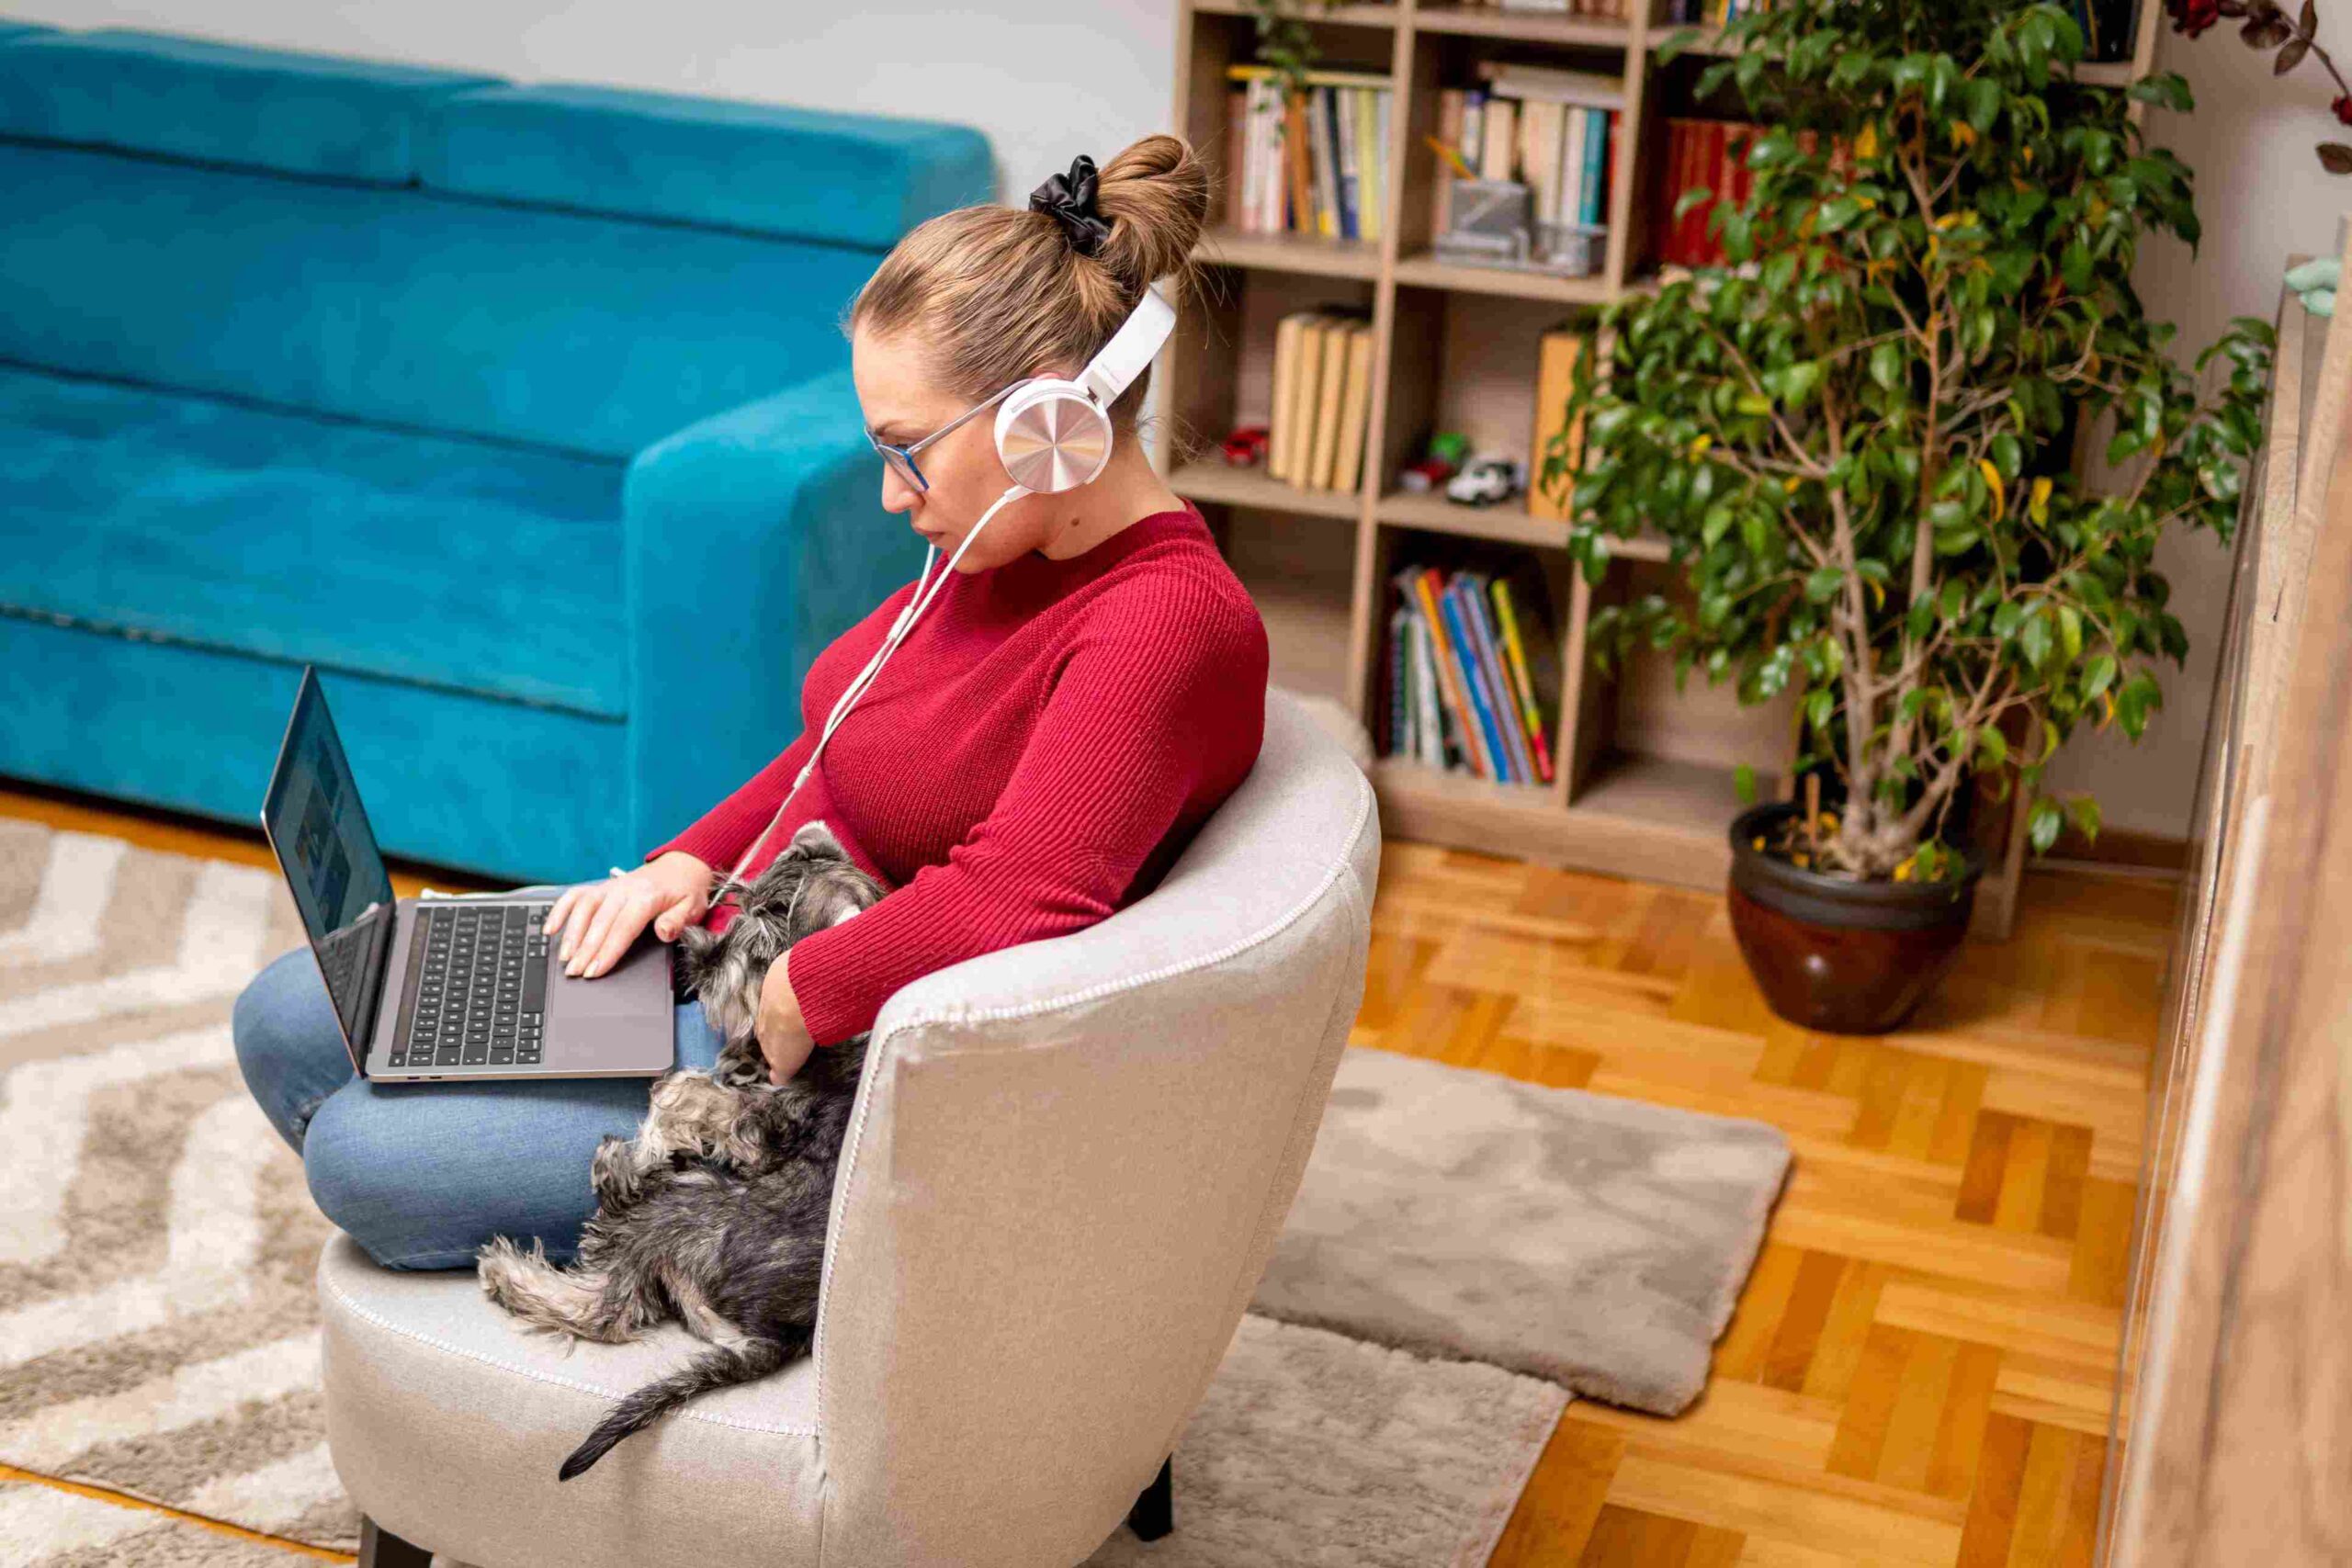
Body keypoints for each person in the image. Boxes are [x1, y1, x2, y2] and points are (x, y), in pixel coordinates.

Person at [231, 132, 1271, 1270]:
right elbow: (837, 741)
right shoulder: (996, 544)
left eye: (907, 450)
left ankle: (670, 1274)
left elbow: (1026, 891)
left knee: (363, 1160)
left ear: (1048, 424)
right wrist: (688, 863)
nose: (890, 494)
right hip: (751, 950)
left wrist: (798, 988)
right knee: (291, 1013)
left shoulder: (1160, 624)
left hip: (813, 1075)